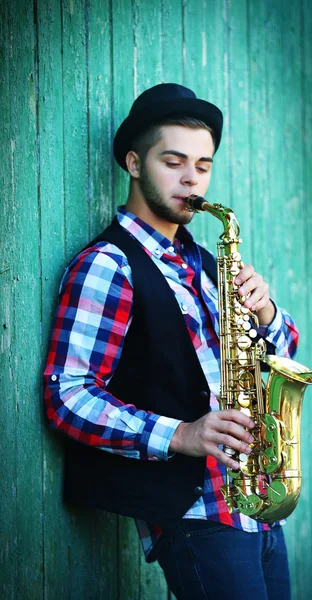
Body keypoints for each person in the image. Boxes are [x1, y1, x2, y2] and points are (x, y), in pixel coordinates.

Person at [44, 83, 299, 599]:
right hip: (196, 515)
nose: (191, 179)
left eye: (203, 166)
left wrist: (266, 310)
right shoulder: (107, 265)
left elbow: (282, 354)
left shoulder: (207, 264)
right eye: (174, 161)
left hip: (256, 508)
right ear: (135, 164)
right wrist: (179, 434)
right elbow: (66, 393)